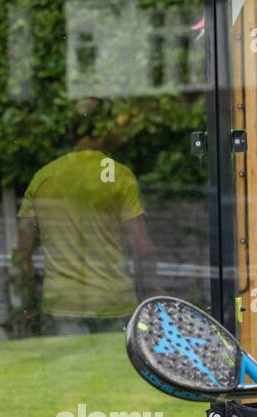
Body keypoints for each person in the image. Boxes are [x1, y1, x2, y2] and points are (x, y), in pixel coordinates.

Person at [12, 97, 163, 336]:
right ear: (104, 131)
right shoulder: (118, 175)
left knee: (64, 373)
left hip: (61, 302)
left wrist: (27, 301)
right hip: (112, 299)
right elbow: (141, 245)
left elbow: (23, 253)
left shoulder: (44, 177)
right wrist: (152, 290)